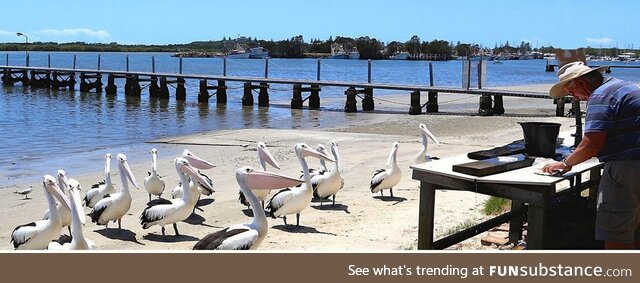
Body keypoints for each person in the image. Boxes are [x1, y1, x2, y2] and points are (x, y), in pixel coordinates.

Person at [542, 61, 640, 249]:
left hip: (628, 167)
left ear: (581, 83)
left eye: (572, 93)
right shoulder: (622, 86)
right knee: (634, 227)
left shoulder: (601, 95)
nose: (576, 99)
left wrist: (565, 163)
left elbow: (592, 144)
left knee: (616, 231)